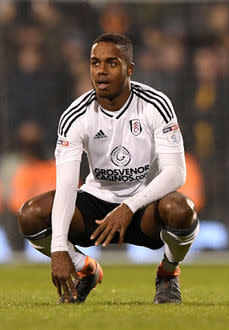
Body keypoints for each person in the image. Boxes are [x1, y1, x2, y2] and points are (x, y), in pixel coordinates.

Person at [17, 33, 199, 304]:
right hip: (95, 206)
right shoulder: (75, 116)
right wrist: (59, 250)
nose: (101, 70)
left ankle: (168, 273)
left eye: (111, 63)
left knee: (182, 210)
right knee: (30, 215)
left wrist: (128, 207)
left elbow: (176, 172)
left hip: (142, 208)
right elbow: (67, 186)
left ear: (130, 69)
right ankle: (86, 269)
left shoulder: (155, 104)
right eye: (94, 62)